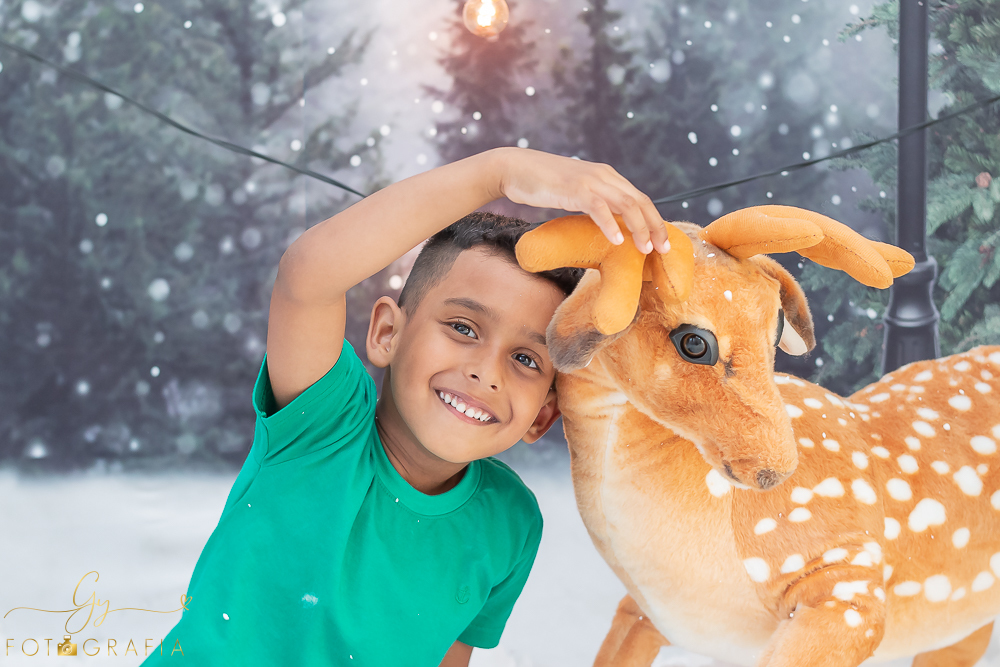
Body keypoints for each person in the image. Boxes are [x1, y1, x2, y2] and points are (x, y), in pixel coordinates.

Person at [140, 147, 670, 666]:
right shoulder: (322, 428)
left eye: (527, 359)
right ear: (387, 332)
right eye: (463, 328)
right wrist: (500, 171)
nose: (486, 371)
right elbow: (308, 274)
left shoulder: (510, 522)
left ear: (543, 416)